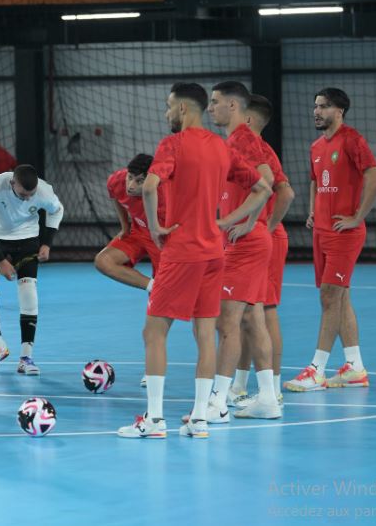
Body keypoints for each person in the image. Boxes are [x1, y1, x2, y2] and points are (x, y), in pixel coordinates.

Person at [116, 83, 270, 440]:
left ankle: (154, 421)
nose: (167, 113)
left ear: (183, 109)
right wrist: (230, 222)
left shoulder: (172, 144)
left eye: (169, 107)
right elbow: (263, 187)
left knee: (154, 331)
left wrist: (154, 228)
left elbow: (151, 186)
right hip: (215, 253)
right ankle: (199, 418)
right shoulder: (220, 145)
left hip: (182, 251)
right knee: (205, 334)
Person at [284, 88, 376, 392]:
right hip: (322, 231)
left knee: (329, 297)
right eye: (315, 106)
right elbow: (316, 180)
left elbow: (375, 177)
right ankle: (354, 367)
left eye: (324, 107)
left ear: (339, 110)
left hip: (344, 233)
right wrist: (314, 210)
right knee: (340, 298)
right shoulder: (316, 146)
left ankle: (317, 369)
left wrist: (357, 216)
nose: (316, 112)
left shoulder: (353, 140)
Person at [201, 81, 280, 422]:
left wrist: (237, 221)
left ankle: (217, 401)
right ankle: (267, 398)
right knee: (251, 319)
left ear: (233, 106)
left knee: (227, 323)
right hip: (249, 240)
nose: (210, 108)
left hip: (244, 243)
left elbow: (265, 184)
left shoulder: (244, 139)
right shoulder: (236, 140)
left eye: (215, 102)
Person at [229, 94, 295, 409]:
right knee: (249, 312)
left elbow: (282, 191)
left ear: (248, 118)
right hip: (264, 234)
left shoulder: (248, 141)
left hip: (262, 236)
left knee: (263, 312)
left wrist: (263, 225)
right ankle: (241, 385)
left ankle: (273, 390)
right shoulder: (258, 146)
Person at [0, 164, 65, 374]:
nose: (27, 199)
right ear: (12, 183)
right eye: (23, 194)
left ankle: (26, 358)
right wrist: (0, 260)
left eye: (30, 195)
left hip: (27, 240)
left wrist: (46, 243)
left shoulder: (43, 191)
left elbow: (57, 211)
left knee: (28, 292)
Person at [94, 154, 163, 293]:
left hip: (161, 240)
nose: (131, 186)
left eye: (139, 181)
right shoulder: (117, 180)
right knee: (103, 261)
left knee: (162, 300)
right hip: (137, 233)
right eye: (130, 177)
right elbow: (116, 196)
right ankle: (155, 287)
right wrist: (125, 226)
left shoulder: (166, 196)